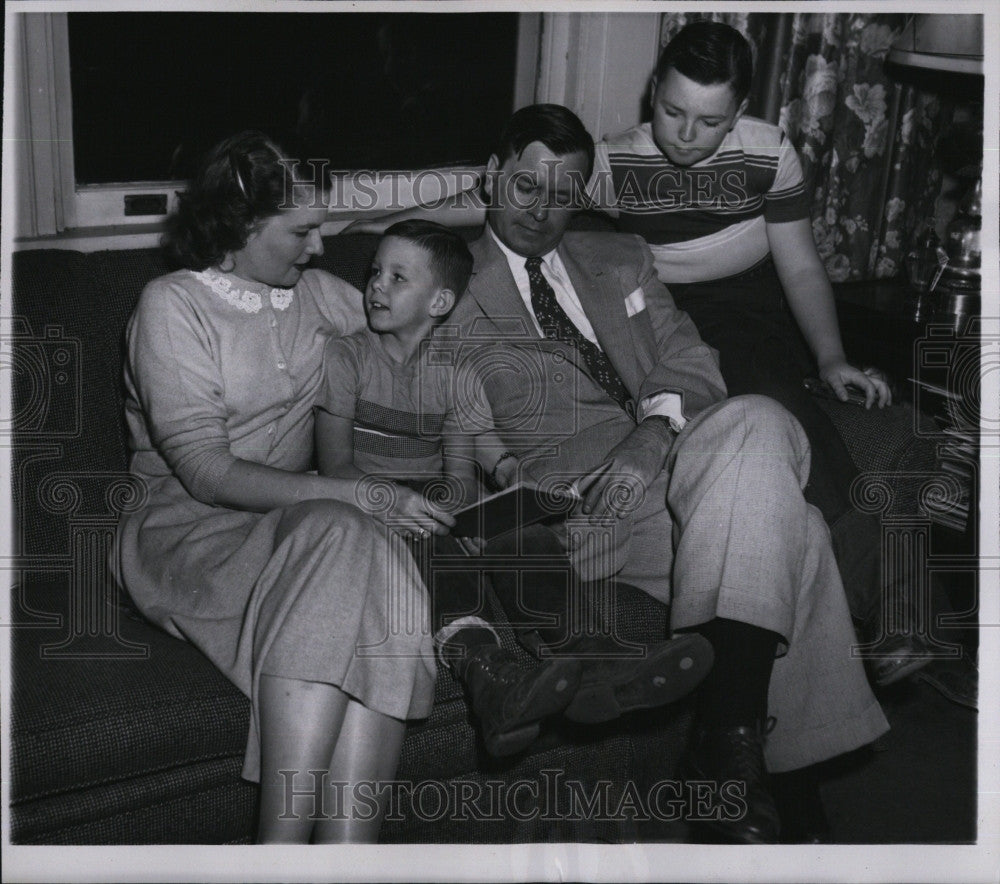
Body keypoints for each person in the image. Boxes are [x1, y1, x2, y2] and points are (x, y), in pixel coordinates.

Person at [429, 103, 888, 844]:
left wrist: (653, 431)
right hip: (590, 504)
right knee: (792, 524)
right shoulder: (441, 282)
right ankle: (771, 784)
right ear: (492, 178)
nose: (543, 212)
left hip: (687, 455)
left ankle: (726, 753)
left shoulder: (620, 257)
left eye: (564, 195)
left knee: (758, 419)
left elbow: (695, 359)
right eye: (525, 188)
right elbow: (423, 417)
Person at [114, 131, 438, 844]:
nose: (320, 247)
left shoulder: (316, 294)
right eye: (302, 231)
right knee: (350, 529)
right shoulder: (173, 306)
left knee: (360, 545)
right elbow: (204, 469)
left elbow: (424, 339)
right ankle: (282, 853)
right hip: (186, 527)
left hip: (298, 529)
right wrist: (353, 494)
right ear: (239, 225)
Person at [586, 21, 927, 683]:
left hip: (752, 306)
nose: (685, 135)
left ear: (740, 112)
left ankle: (893, 612)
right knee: (760, 404)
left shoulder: (770, 150)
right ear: (652, 91)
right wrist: (378, 211)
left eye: (709, 122)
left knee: (774, 396)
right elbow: (517, 193)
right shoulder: (613, 163)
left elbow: (799, 267)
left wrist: (830, 358)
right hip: (666, 316)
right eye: (672, 111)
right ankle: (889, 612)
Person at [314, 218, 713, 757]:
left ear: (439, 303)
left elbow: (457, 477)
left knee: (513, 527)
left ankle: (593, 659)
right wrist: (400, 502)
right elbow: (335, 465)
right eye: (374, 273)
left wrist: (475, 510)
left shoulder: (456, 374)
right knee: (434, 546)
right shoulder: (346, 359)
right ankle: (491, 679)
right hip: (364, 506)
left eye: (397, 278)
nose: (376, 286)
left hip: (428, 502)